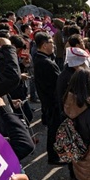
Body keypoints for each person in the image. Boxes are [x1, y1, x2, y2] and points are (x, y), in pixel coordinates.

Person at [33, 31, 63, 165]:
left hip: (47, 100)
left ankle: (55, 154)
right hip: (52, 101)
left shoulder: (40, 57)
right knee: (54, 130)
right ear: (44, 45)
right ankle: (54, 156)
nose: (54, 45)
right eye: (51, 43)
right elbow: (59, 83)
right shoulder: (46, 63)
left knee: (54, 128)